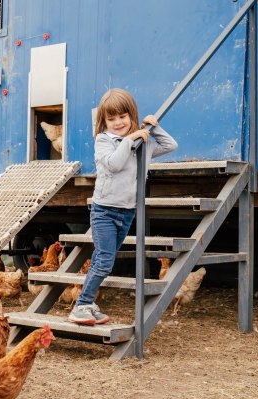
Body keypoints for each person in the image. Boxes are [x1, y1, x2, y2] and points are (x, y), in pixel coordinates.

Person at [69, 88, 178, 325]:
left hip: (127, 211)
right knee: (105, 260)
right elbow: (115, 164)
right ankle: (81, 305)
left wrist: (154, 127)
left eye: (123, 116)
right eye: (111, 118)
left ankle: (87, 303)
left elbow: (170, 145)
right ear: (104, 121)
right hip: (104, 210)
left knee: (102, 258)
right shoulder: (104, 140)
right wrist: (129, 139)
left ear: (132, 115)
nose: (118, 122)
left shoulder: (144, 141)